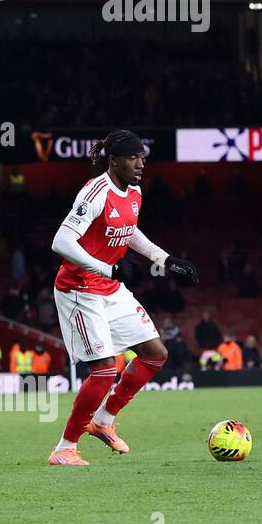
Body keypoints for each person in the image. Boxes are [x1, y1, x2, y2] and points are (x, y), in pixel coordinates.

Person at [46, 130, 199, 466]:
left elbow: (130, 233)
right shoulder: (95, 192)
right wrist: (106, 267)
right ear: (113, 160)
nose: (140, 163)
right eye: (133, 157)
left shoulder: (134, 192)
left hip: (110, 289)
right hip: (80, 289)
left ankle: (102, 421)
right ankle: (64, 449)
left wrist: (167, 260)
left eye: (142, 157)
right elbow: (61, 241)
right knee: (103, 370)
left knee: (155, 354)